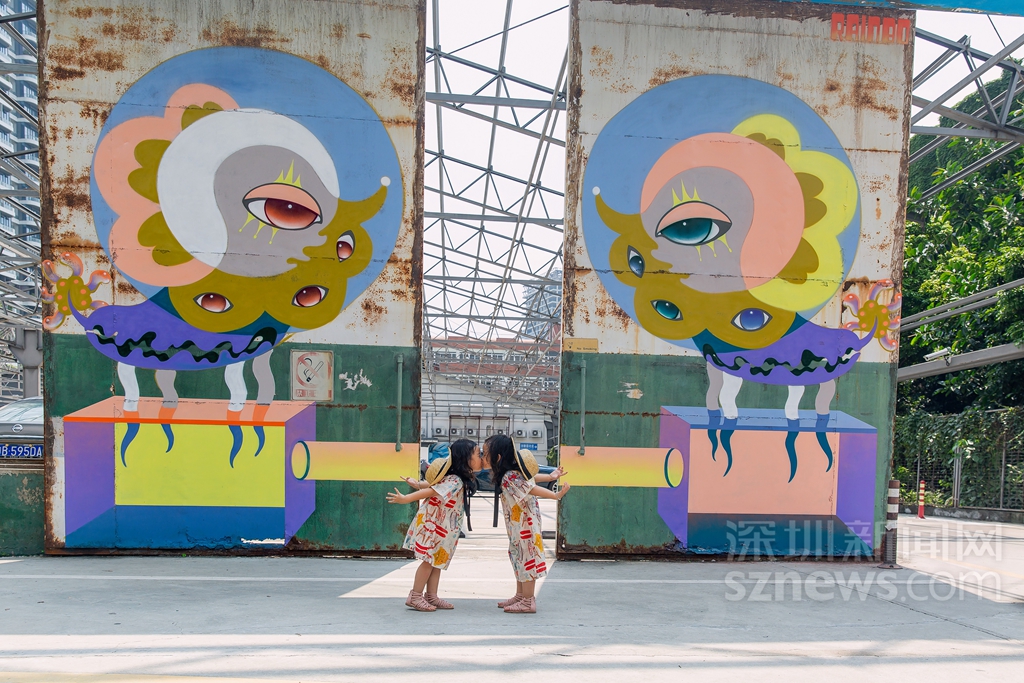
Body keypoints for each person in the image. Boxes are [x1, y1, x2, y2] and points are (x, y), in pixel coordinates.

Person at [387, 438, 481, 612]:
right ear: (466, 458)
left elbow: (433, 483)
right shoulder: (455, 480)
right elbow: (431, 490)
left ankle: (431, 596)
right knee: (428, 562)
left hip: (442, 528)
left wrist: (417, 484)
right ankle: (415, 596)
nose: (481, 457)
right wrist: (406, 499)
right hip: (434, 527)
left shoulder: (455, 478)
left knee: (436, 561)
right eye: (478, 454)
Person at [484, 434, 570, 614]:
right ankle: (521, 595)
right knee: (518, 557)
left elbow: (530, 487)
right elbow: (531, 479)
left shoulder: (509, 476)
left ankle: (528, 601)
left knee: (526, 559)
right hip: (519, 526)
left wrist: (555, 495)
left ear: (497, 458)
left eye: (485, 453)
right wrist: (550, 477)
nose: (483, 457)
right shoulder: (512, 474)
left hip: (525, 527)